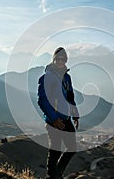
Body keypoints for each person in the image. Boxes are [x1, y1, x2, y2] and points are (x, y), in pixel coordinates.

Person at [37, 47, 79, 179]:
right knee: (55, 149)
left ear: (66, 60)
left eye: (63, 59)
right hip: (53, 120)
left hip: (66, 119)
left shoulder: (67, 78)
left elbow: (70, 97)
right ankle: (51, 176)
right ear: (54, 59)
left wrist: (75, 115)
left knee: (72, 148)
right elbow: (42, 101)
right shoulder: (46, 78)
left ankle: (57, 174)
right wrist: (54, 118)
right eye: (58, 58)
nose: (60, 61)